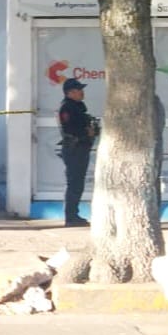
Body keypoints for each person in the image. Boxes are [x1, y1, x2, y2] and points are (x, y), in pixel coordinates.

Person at [58, 77, 98, 227]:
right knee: (74, 183)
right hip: (74, 148)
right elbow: (70, 129)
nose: (82, 93)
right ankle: (71, 216)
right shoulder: (68, 107)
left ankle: (74, 214)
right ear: (70, 92)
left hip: (81, 148)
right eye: (78, 90)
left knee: (78, 183)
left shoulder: (79, 106)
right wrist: (86, 132)